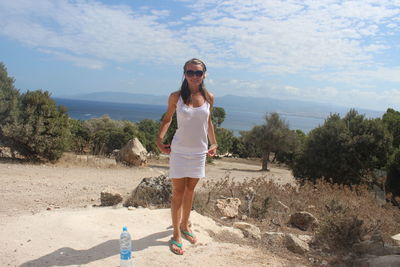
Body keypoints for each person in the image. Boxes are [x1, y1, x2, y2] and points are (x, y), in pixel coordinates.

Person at [156, 58, 218, 255]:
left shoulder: (209, 97)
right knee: (178, 193)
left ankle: (185, 225)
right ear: (184, 74)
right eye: (190, 72)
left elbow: (208, 122)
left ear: (204, 75)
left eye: (198, 73)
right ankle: (176, 235)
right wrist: (159, 139)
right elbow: (167, 119)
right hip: (180, 151)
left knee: (191, 190)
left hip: (199, 151)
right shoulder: (176, 97)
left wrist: (214, 142)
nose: (194, 76)